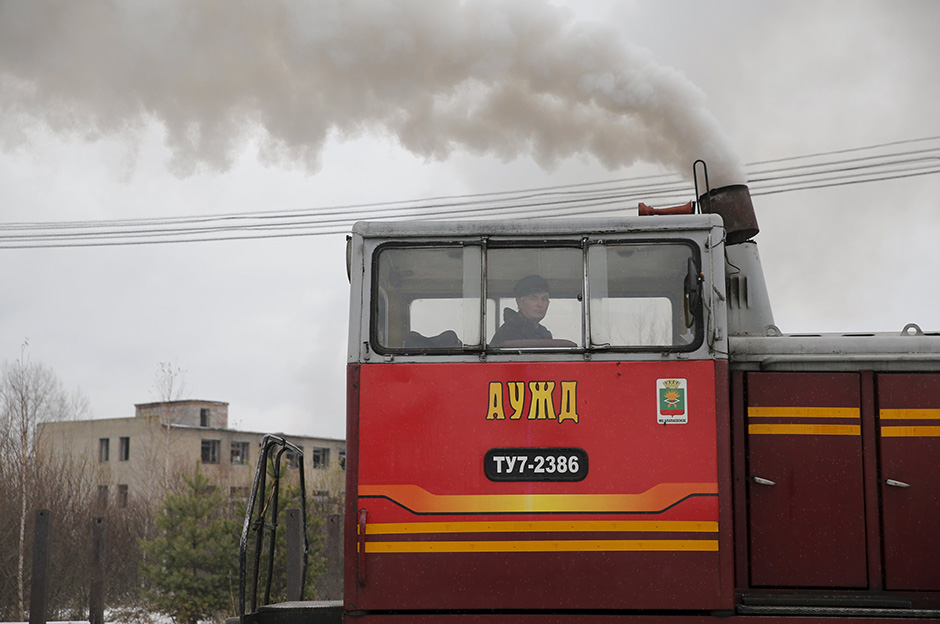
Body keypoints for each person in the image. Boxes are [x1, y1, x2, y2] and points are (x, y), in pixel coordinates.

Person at [490, 275, 553, 346]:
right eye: (533, 298)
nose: (540, 304)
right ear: (520, 302)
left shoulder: (544, 334)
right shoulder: (508, 333)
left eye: (544, 299)